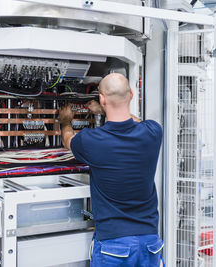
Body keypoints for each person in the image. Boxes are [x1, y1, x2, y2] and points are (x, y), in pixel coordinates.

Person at [58, 73, 163, 266]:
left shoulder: (91, 141)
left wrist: (65, 120)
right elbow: (136, 121)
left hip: (113, 245)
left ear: (102, 98)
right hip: (150, 242)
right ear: (131, 94)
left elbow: (68, 140)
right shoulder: (154, 132)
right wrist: (106, 109)